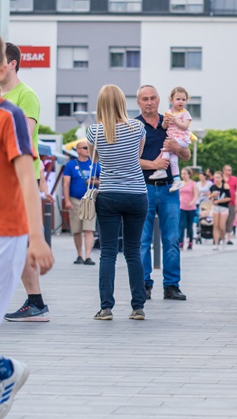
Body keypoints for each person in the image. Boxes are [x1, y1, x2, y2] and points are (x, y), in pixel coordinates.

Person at [0, 48, 55, 415]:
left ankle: (6, 372)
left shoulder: (14, 110)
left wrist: (37, 237)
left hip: (7, 225)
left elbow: (26, 171)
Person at [87, 85, 149, 321]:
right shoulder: (138, 127)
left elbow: (97, 158)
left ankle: (106, 308)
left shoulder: (94, 131)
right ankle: (138, 307)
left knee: (108, 254)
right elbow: (137, 156)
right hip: (136, 194)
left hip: (110, 194)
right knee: (133, 252)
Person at [2, 41, 53, 323]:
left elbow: (22, 135)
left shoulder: (26, 96)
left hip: (20, 180)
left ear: (12, 64)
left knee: (19, 242)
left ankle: (36, 303)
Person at [136, 85, 189, 301]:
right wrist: (153, 164)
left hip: (169, 188)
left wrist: (177, 147)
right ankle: (144, 284)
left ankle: (172, 285)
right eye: (144, 99)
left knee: (172, 238)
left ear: (159, 100)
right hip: (143, 188)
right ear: (138, 102)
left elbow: (185, 155)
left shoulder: (171, 121)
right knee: (142, 240)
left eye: (153, 98)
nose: (149, 102)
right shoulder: (133, 126)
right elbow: (129, 160)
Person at [62, 140, 101, 265]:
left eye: (89, 148)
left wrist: (94, 182)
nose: (88, 150)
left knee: (89, 229)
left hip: (90, 200)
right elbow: (66, 184)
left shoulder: (95, 164)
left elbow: (103, 181)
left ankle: (88, 256)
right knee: (76, 229)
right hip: (75, 199)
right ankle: (79, 254)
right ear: (78, 150)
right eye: (85, 148)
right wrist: (67, 200)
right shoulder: (70, 165)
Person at [151, 87, 192, 193]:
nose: (181, 102)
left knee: (165, 149)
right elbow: (164, 127)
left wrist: (175, 120)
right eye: (178, 99)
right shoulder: (169, 112)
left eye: (183, 99)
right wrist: (165, 121)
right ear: (171, 100)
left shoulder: (185, 113)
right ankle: (177, 179)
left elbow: (185, 126)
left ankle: (162, 170)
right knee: (173, 160)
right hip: (173, 138)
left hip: (181, 139)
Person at [209, 171, 231, 250]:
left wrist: (219, 201)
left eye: (218, 177)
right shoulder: (213, 187)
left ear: (222, 178)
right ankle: (215, 243)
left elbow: (229, 198)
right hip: (215, 207)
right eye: (215, 177)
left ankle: (223, 239)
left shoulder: (225, 186)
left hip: (223, 208)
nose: (217, 179)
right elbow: (210, 197)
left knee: (222, 226)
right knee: (216, 226)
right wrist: (212, 196)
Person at [178, 168, 198, 250]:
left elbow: (196, 195)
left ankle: (190, 242)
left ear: (189, 174)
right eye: (182, 173)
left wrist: (192, 202)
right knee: (181, 225)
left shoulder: (193, 184)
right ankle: (181, 242)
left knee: (190, 226)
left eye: (185, 174)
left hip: (191, 207)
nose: (183, 175)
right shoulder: (180, 183)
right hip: (182, 207)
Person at [223, 165, 237, 245]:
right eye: (228, 170)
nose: (230, 171)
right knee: (222, 221)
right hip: (221, 203)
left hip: (232, 203)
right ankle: (221, 237)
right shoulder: (220, 179)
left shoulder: (234, 179)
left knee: (230, 220)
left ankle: (228, 237)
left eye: (230, 170)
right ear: (224, 171)